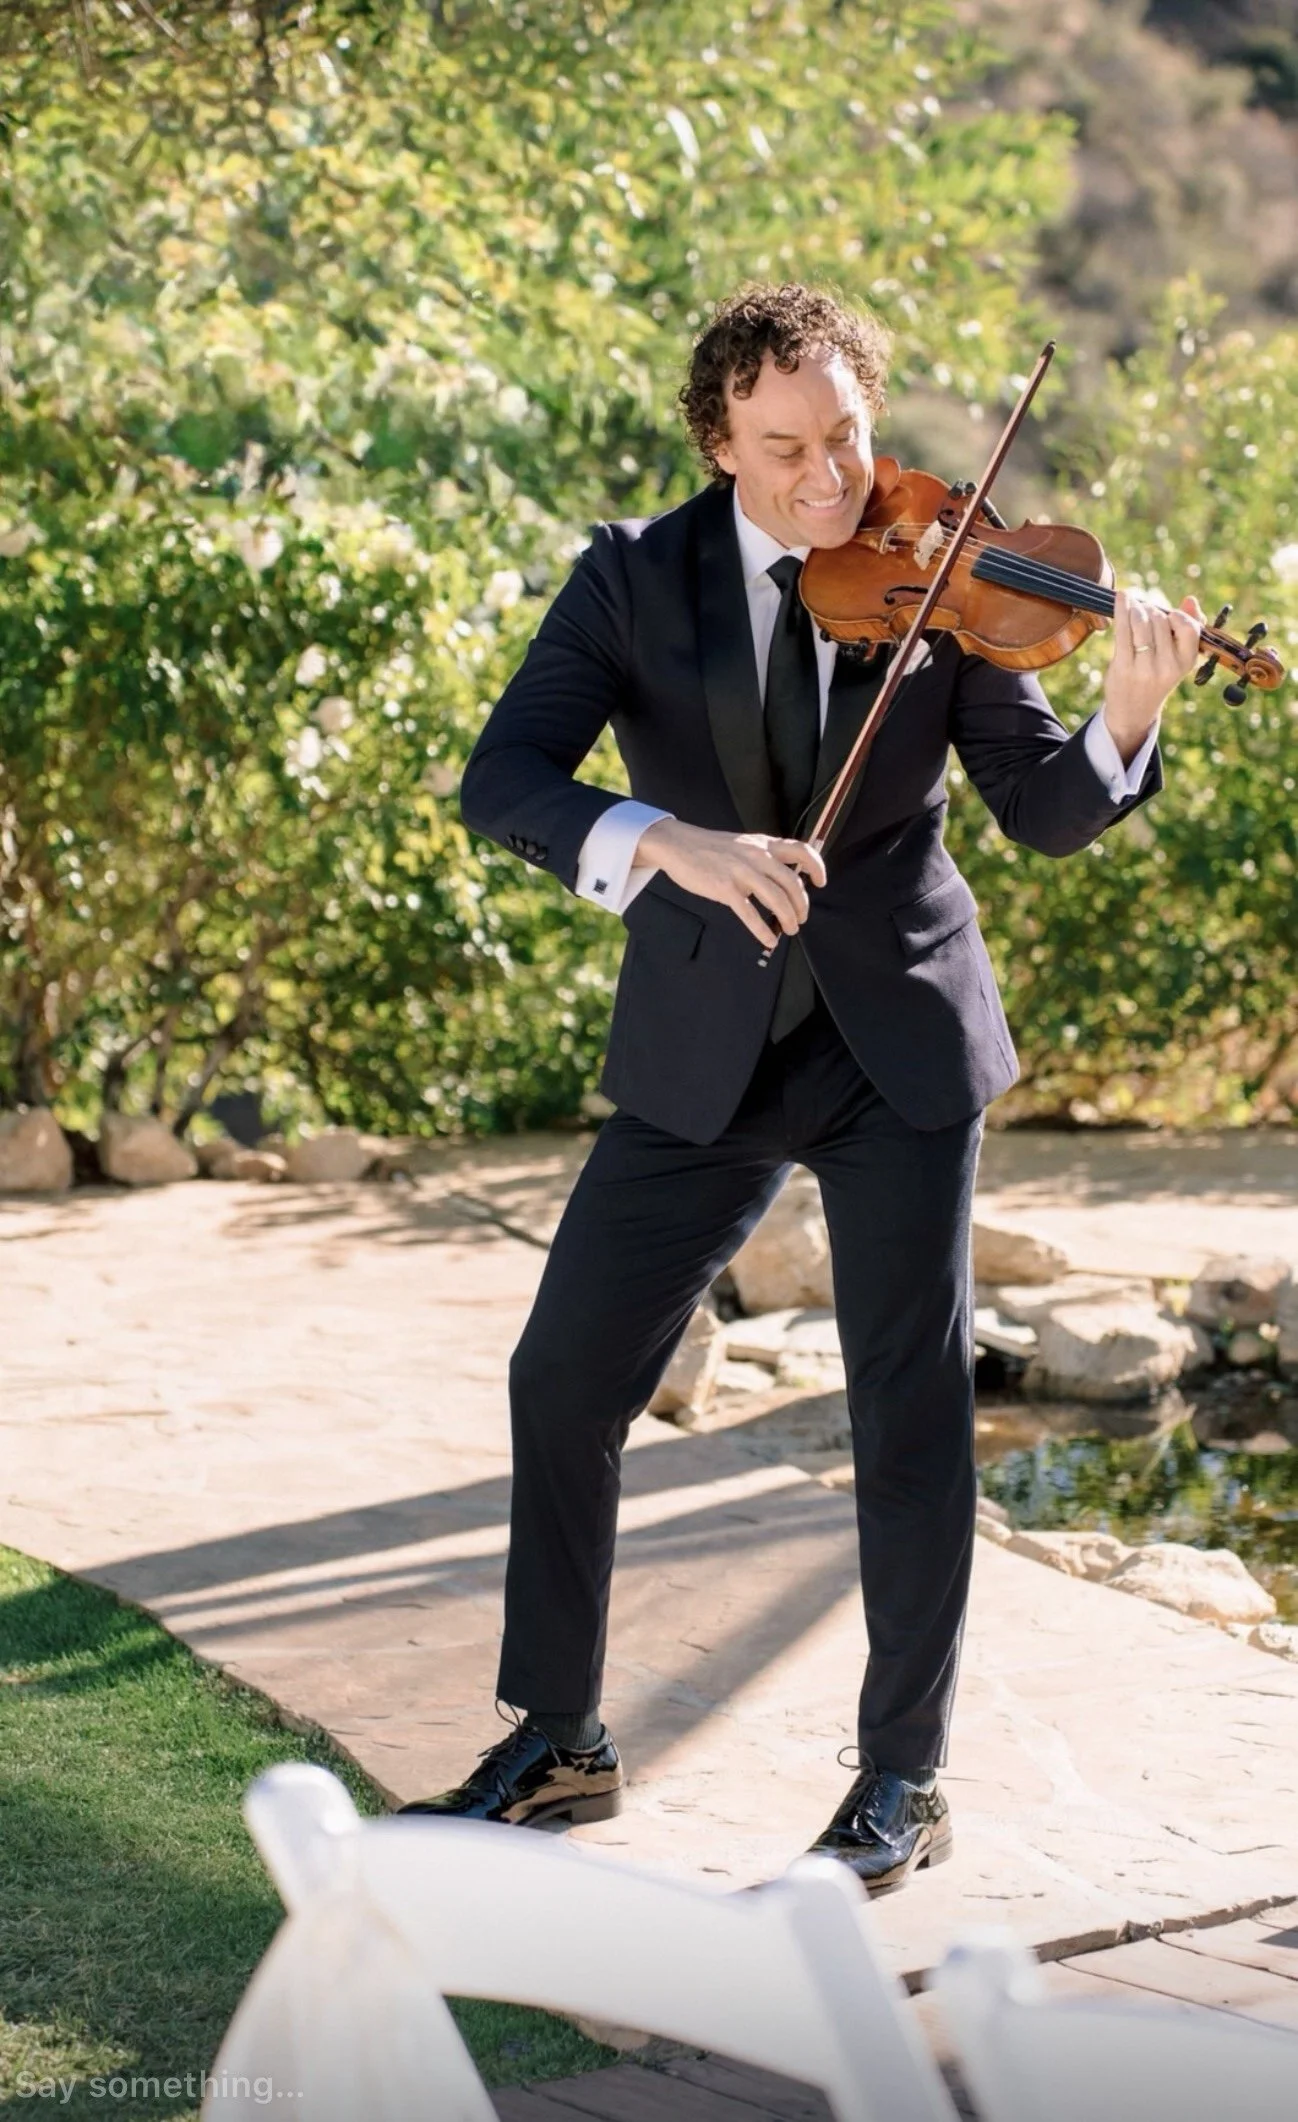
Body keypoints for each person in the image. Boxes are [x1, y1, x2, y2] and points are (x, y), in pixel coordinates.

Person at [397, 283, 1203, 1892]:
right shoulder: (633, 578)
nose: (827, 478)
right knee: (563, 1378)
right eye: (783, 448)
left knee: (906, 1410)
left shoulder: (948, 566)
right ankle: (559, 1738)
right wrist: (665, 844)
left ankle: (902, 1780)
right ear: (718, 442)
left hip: (896, 1040)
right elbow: (504, 778)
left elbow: (1040, 809)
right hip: (705, 1045)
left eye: (843, 436)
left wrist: (1125, 717)